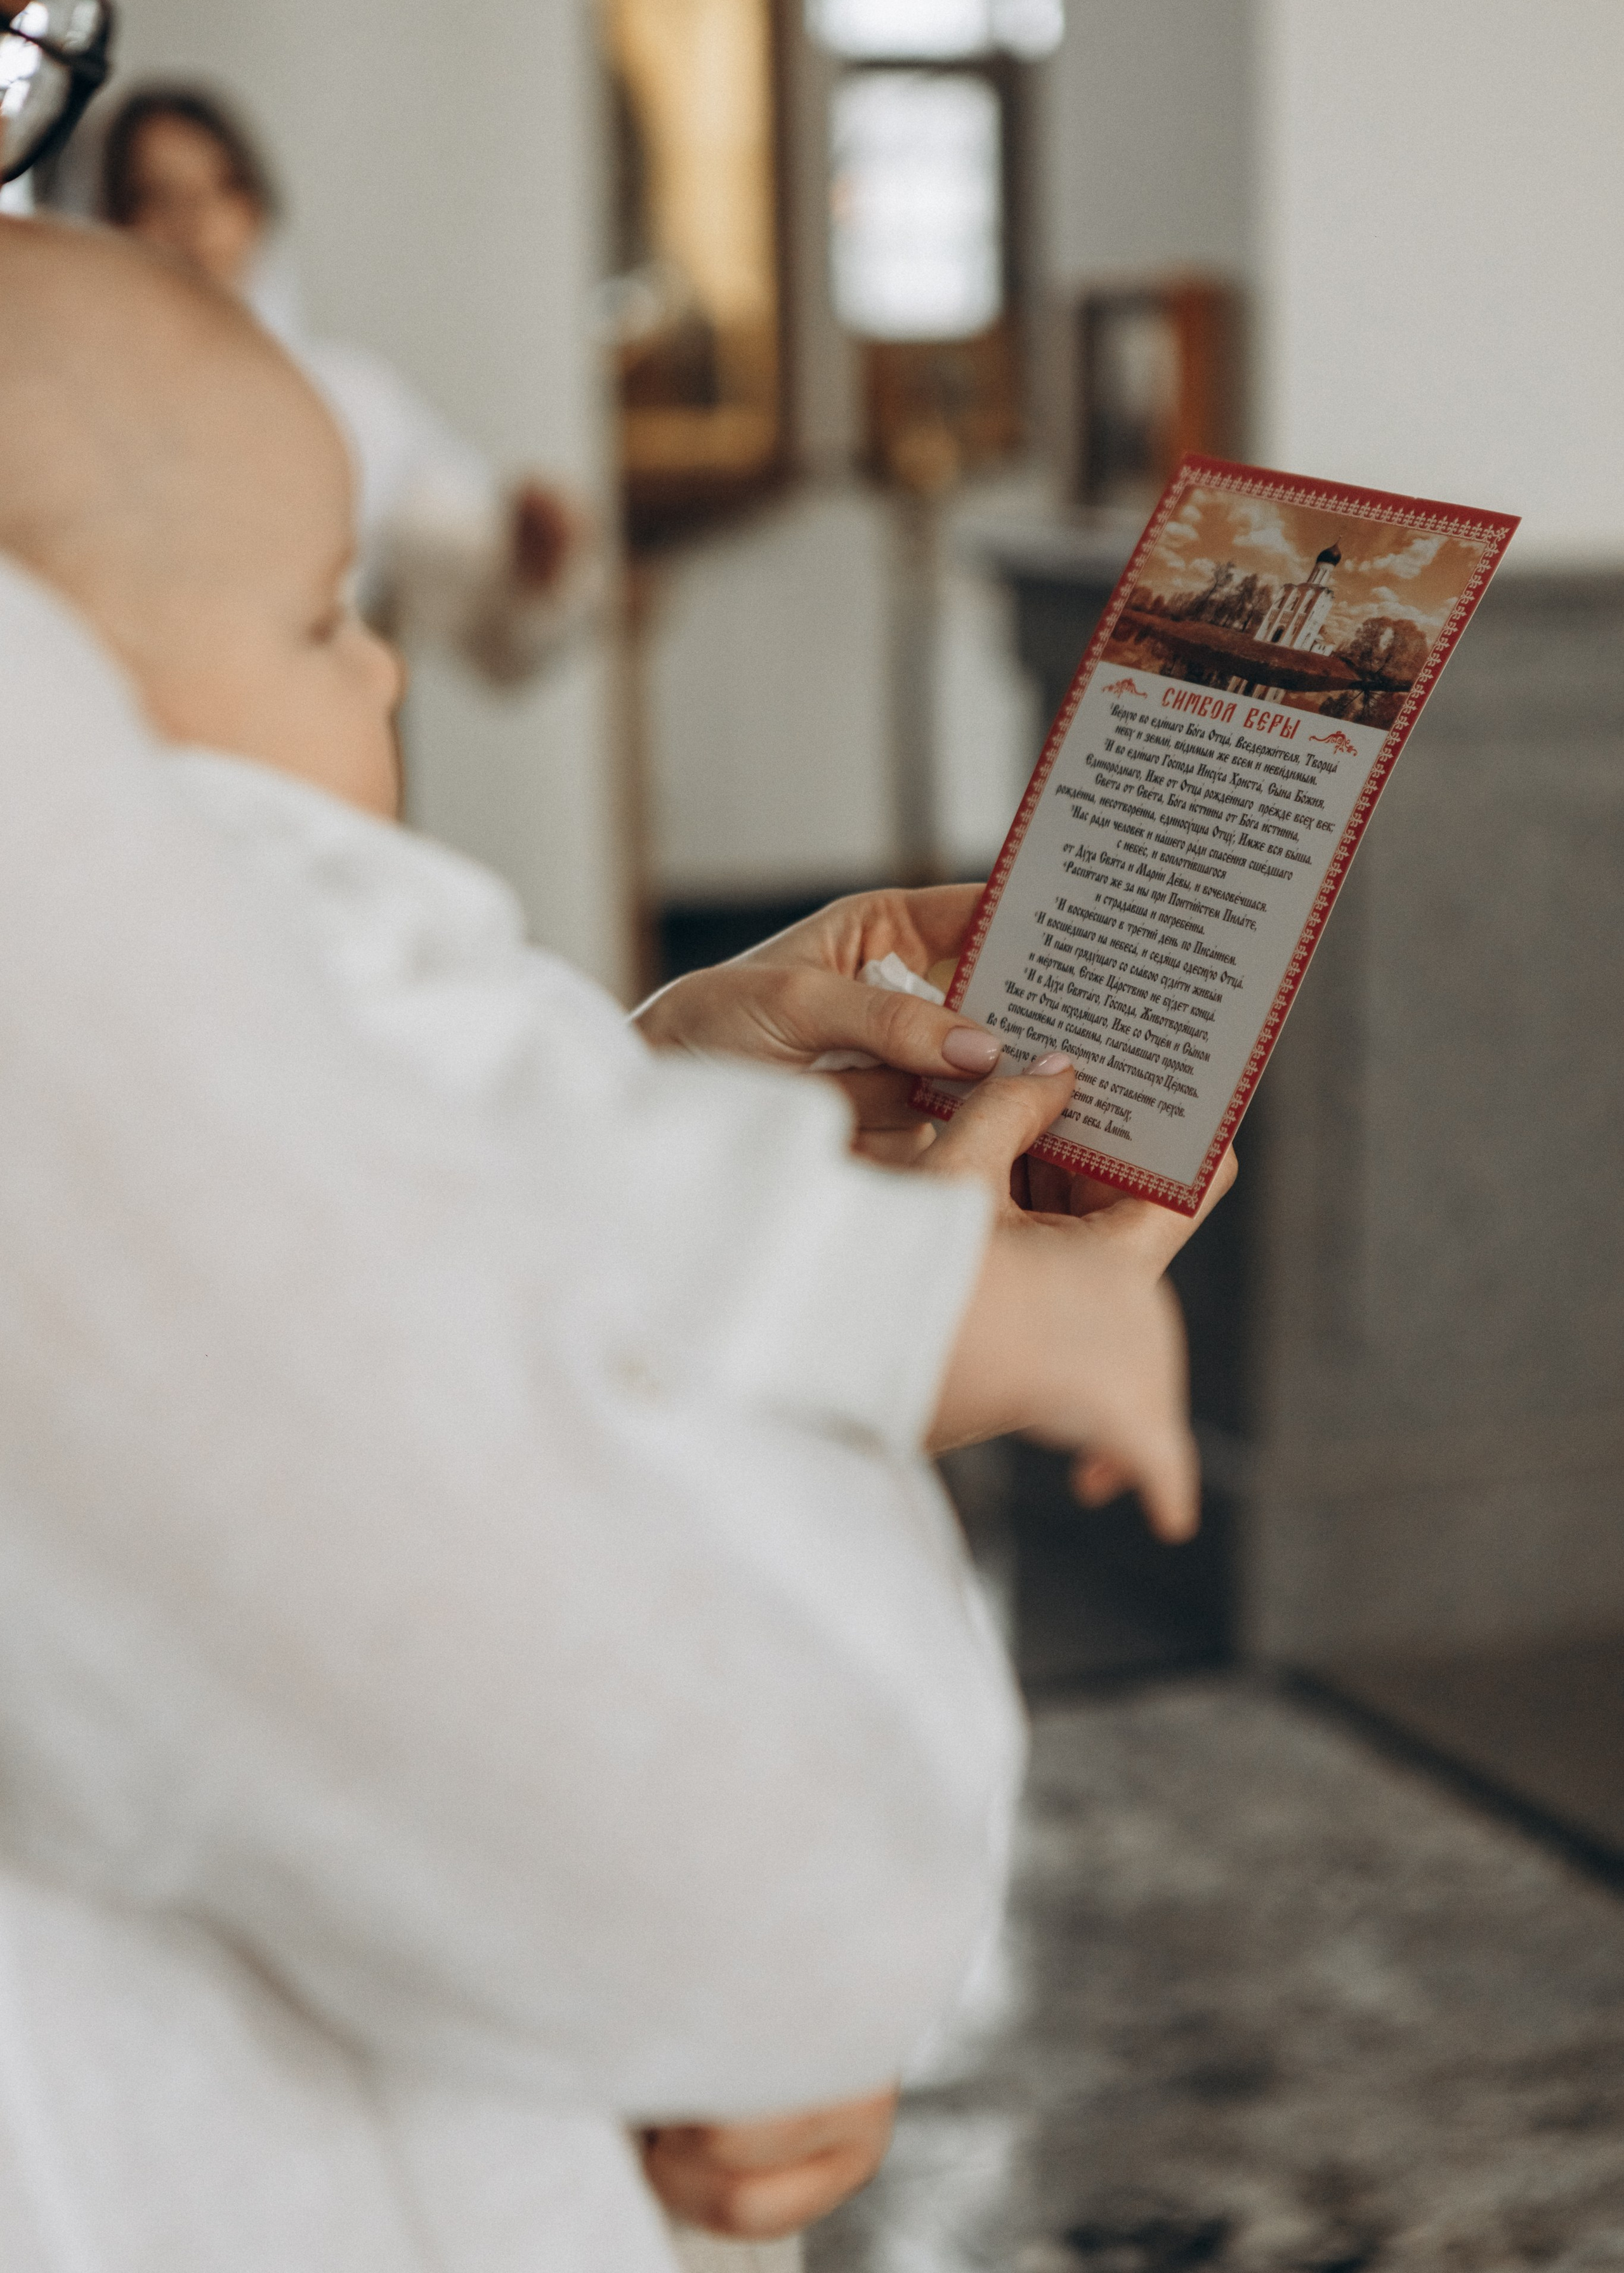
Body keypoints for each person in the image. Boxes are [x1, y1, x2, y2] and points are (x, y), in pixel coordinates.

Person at [0, 209, 1223, 2270]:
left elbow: (461, 1186)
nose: (382, 667)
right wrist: (942, 1306)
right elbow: (773, 1875)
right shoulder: (191, 882)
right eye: (320, 625)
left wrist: (657, 1071)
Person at [97, 80, 586, 683]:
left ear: (257, 209)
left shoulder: (350, 403)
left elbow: (479, 594)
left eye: (223, 188)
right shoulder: (80, 416)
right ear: (107, 222)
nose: (196, 222)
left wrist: (528, 561)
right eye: (157, 196)